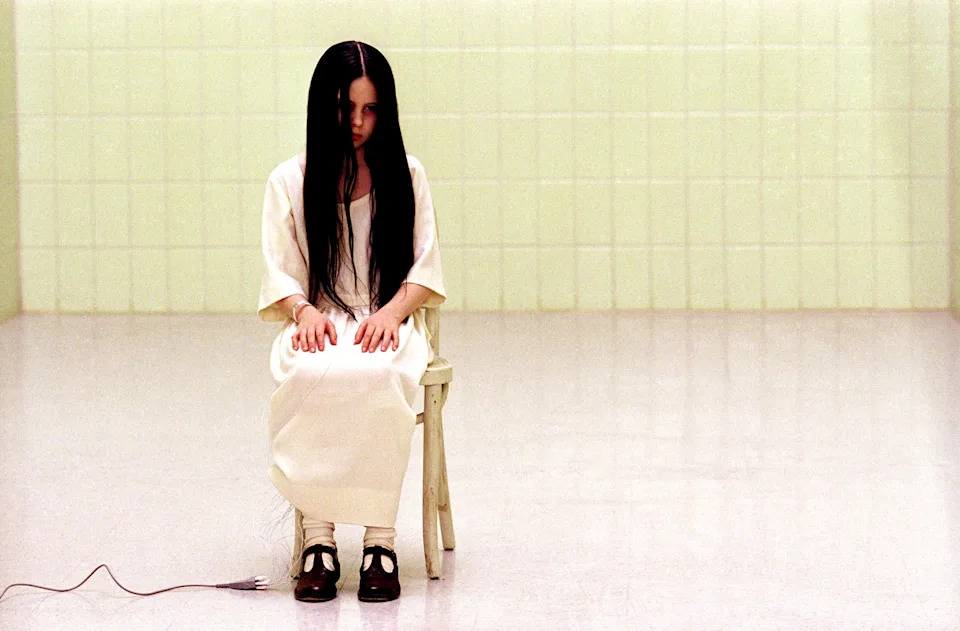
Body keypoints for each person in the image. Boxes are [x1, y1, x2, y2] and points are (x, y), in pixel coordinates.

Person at [257, 41, 445, 603]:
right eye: (347, 109)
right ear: (324, 108)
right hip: (319, 318)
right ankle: (319, 539)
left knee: (374, 374)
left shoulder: (407, 175)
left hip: (388, 318)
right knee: (318, 375)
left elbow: (426, 265)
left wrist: (392, 313)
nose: (359, 123)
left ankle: (380, 541)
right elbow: (281, 275)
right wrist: (303, 311)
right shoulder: (288, 181)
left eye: (371, 110)